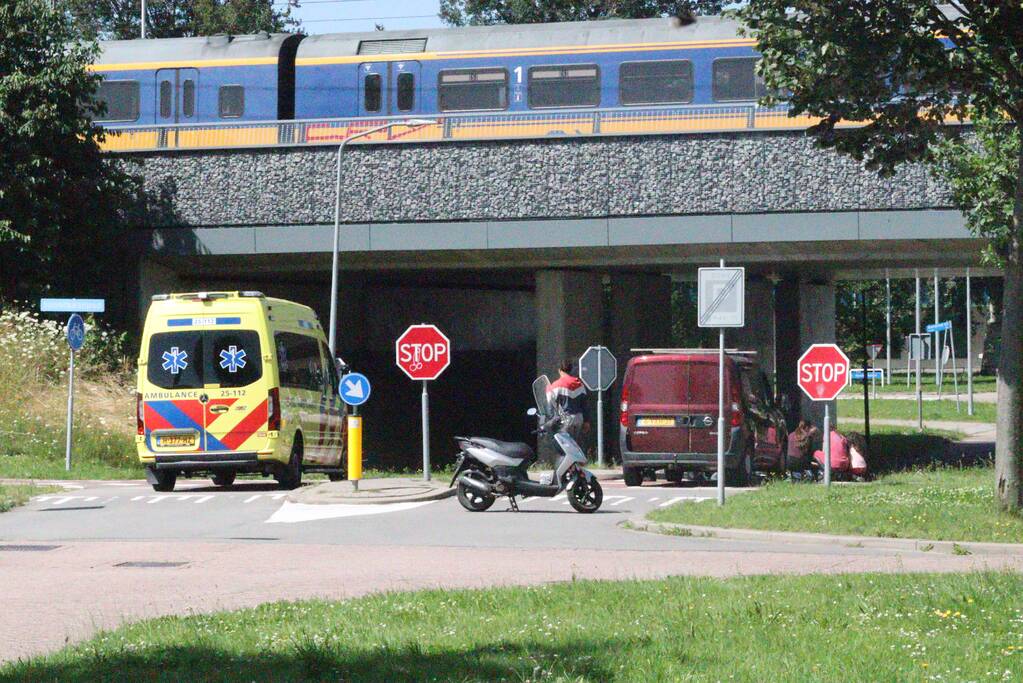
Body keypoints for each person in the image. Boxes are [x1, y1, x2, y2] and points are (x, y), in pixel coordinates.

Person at [546, 358, 589, 442]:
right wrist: (587, 421)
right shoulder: (579, 384)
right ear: (570, 370)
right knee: (576, 445)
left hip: (566, 419)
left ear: (559, 370)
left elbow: (549, 404)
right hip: (579, 419)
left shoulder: (556, 385)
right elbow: (585, 404)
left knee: (565, 446)